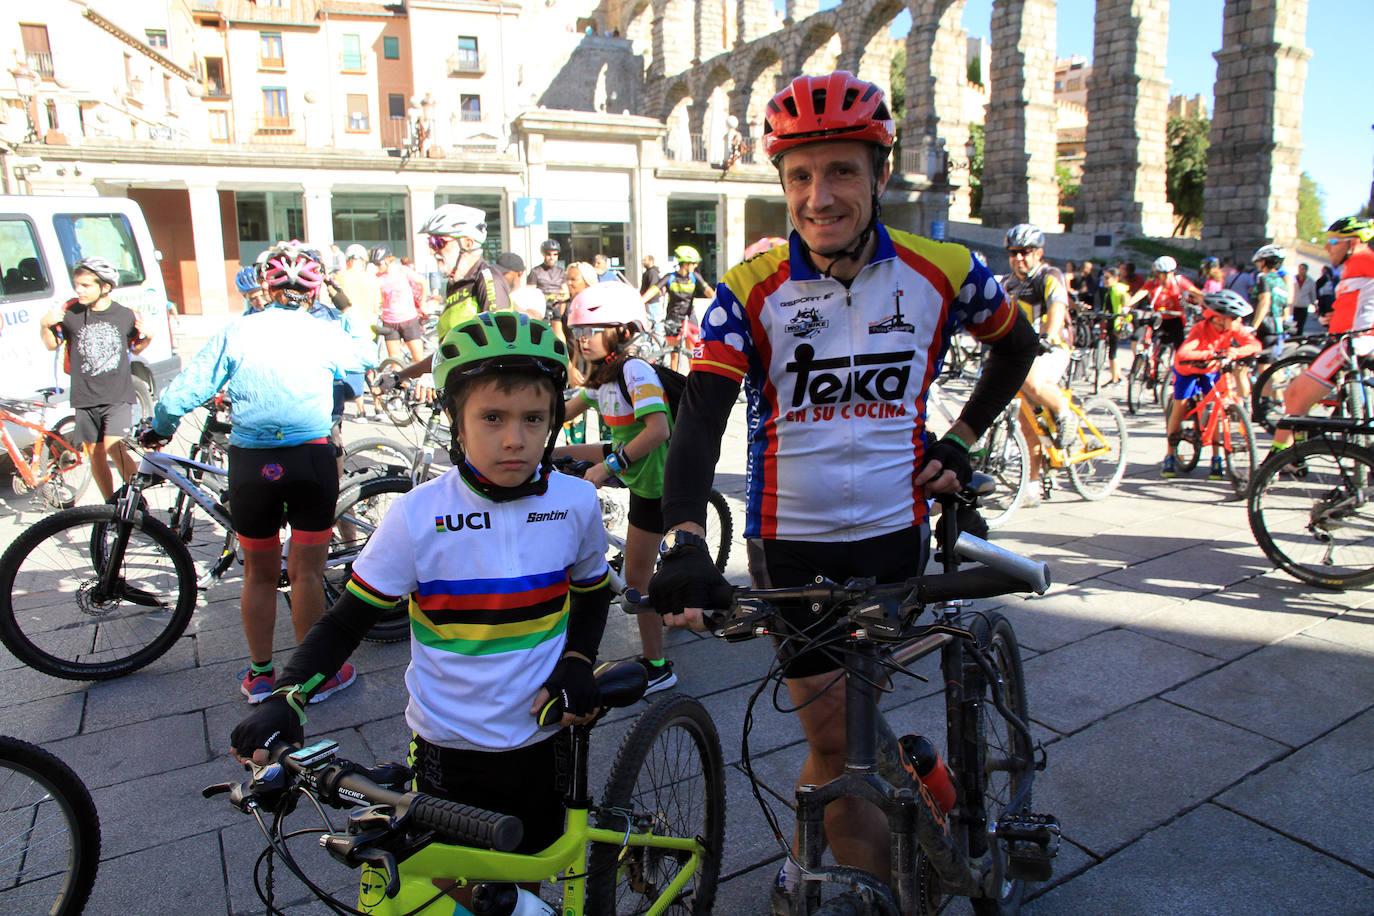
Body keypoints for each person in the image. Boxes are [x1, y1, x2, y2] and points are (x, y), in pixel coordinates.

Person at [644, 71, 1037, 903]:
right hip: (792, 544)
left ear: (880, 174)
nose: (819, 197)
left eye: (842, 172)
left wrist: (961, 442)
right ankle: (857, 869)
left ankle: (880, 826)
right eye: (799, 177)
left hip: (895, 538)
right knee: (833, 738)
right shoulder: (748, 292)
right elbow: (698, 425)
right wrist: (682, 539)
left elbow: (1018, 347)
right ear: (782, 183)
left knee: (847, 730)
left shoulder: (946, 270)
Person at [228, 313, 611, 893]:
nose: (515, 438)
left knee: (525, 879)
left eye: (534, 418)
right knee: (456, 884)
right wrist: (288, 694)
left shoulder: (576, 502)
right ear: (457, 422)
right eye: (492, 418)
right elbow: (346, 621)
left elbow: (591, 593)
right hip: (448, 746)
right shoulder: (417, 515)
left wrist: (579, 660)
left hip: (542, 738)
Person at [145, 241, 368, 703]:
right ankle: (313, 678)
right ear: (314, 289)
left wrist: (161, 429)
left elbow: (179, 395)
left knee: (259, 574)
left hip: (252, 463)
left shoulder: (238, 331)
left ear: (265, 284)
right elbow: (357, 375)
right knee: (307, 573)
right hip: (311, 457)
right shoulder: (326, 332)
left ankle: (261, 676)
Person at [553, 284, 676, 693]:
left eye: (591, 329)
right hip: (627, 457)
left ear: (622, 331)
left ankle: (658, 665)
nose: (581, 338)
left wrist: (608, 467)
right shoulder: (602, 377)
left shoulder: (635, 371)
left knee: (638, 580)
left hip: (653, 478)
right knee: (556, 452)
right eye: (578, 331)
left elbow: (659, 430)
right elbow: (561, 413)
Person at [37, 257, 151, 501]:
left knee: (114, 447)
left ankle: (137, 502)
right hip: (85, 397)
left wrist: (148, 338)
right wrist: (44, 325)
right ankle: (110, 507)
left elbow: (136, 348)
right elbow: (51, 344)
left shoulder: (125, 315)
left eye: (86, 285)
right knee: (95, 454)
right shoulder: (71, 314)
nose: (79, 290)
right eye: (77, 284)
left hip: (117, 396)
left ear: (106, 287)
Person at [1269, 217, 1374, 455]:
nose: (1327, 247)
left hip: (1357, 343)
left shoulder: (1364, 258)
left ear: (1354, 242)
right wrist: (1335, 316)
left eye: (1334, 241)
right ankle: (1293, 452)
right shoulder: (1352, 267)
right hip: (1348, 338)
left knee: (1294, 395)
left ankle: (1279, 459)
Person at [383, 205, 512, 389]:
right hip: (460, 394)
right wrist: (400, 376)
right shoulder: (456, 284)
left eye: (439, 242)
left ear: (467, 243)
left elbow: (500, 347)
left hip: (483, 395)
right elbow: (448, 351)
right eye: (430, 243)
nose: (432, 250)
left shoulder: (486, 279)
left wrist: (443, 374)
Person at [1002, 223, 1077, 501]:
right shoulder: (1008, 284)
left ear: (1039, 253)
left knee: (1029, 380)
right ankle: (1032, 481)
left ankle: (1063, 410)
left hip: (1053, 348)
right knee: (1023, 420)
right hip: (1023, 353)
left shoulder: (1049, 276)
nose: (1019, 257)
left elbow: (1057, 307)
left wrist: (1050, 334)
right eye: (1013, 252)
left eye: (1025, 252)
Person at [1161, 290, 1261, 479]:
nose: (1234, 322)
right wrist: (1209, 354)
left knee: (1216, 408)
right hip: (1188, 370)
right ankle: (1170, 454)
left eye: (1235, 318)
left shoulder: (1233, 327)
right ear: (1217, 318)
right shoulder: (1201, 328)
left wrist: (1233, 352)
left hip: (1211, 369)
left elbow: (1255, 345)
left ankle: (1217, 458)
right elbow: (1183, 354)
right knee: (1180, 407)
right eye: (1231, 318)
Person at [640, 245, 711, 373]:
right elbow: (654, 290)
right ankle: (674, 378)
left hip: (690, 317)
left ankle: (693, 379)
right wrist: (640, 302)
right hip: (673, 317)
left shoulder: (695, 276)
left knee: (692, 351)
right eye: (693, 263)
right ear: (685, 264)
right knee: (674, 353)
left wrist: (721, 300)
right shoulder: (670, 277)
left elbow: (708, 291)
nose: (695, 266)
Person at [1126, 255, 1203, 358]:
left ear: (1172, 272)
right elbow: (1142, 292)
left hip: (1175, 318)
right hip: (1157, 317)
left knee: (1179, 349)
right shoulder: (1153, 282)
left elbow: (1194, 291)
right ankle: (1144, 362)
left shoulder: (1179, 281)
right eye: (1159, 273)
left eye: (1165, 274)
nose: (1162, 277)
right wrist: (1128, 305)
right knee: (1140, 338)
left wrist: (1205, 303)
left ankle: (1176, 369)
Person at [374, 246, 426, 363]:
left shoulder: (402, 270)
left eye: (379, 264)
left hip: (408, 319)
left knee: (418, 359)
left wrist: (423, 304)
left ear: (388, 260)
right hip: (389, 321)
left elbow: (422, 282)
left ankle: (418, 381)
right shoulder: (377, 277)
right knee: (395, 360)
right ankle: (400, 381)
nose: (377, 267)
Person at [1248, 244, 1290, 369]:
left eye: (1259, 262)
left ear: (1264, 262)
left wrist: (1253, 327)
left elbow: (1264, 302)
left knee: (1264, 371)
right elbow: (1285, 310)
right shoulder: (1281, 282)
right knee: (1274, 369)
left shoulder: (1263, 278)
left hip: (1265, 328)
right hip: (1278, 329)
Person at [528, 239, 570, 328]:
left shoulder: (561, 272)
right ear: (543, 254)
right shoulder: (535, 272)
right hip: (542, 310)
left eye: (555, 254)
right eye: (549, 254)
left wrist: (559, 299)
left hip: (558, 309)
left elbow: (566, 293)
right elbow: (530, 295)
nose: (552, 257)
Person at [1100, 266, 1130, 385]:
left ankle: (1116, 378)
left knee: (1113, 353)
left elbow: (1126, 301)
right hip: (1111, 323)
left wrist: (1124, 317)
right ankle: (1116, 376)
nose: (1105, 280)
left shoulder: (1118, 290)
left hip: (1116, 324)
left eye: (1107, 277)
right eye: (1104, 277)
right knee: (1112, 352)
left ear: (1116, 278)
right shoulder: (1111, 290)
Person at [495, 252, 547, 320]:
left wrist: (509, 303)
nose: (498, 276)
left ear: (519, 273)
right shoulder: (492, 293)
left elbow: (535, 318)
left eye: (504, 273)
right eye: (496, 272)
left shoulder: (533, 294)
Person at [1291, 261, 1316, 335]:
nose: (1300, 270)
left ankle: (1298, 338)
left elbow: (1313, 294)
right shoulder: (1293, 279)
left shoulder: (1310, 281)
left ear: (1306, 270)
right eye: (1299, 268)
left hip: (1303, 305)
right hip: (1293, 305)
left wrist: (1314, 304)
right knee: (1292, 324)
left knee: (1300, 325)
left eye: (1302, 269)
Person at [639, 254, 663, 329]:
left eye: (645, 260)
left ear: (651, 261)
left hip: (652, 302)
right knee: (648, 321)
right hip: (648, 302)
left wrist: (645, 297)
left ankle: (658, 339)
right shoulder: (648, 272)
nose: (643, 262)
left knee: (655, 321)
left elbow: (653, 287)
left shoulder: (652, 272)